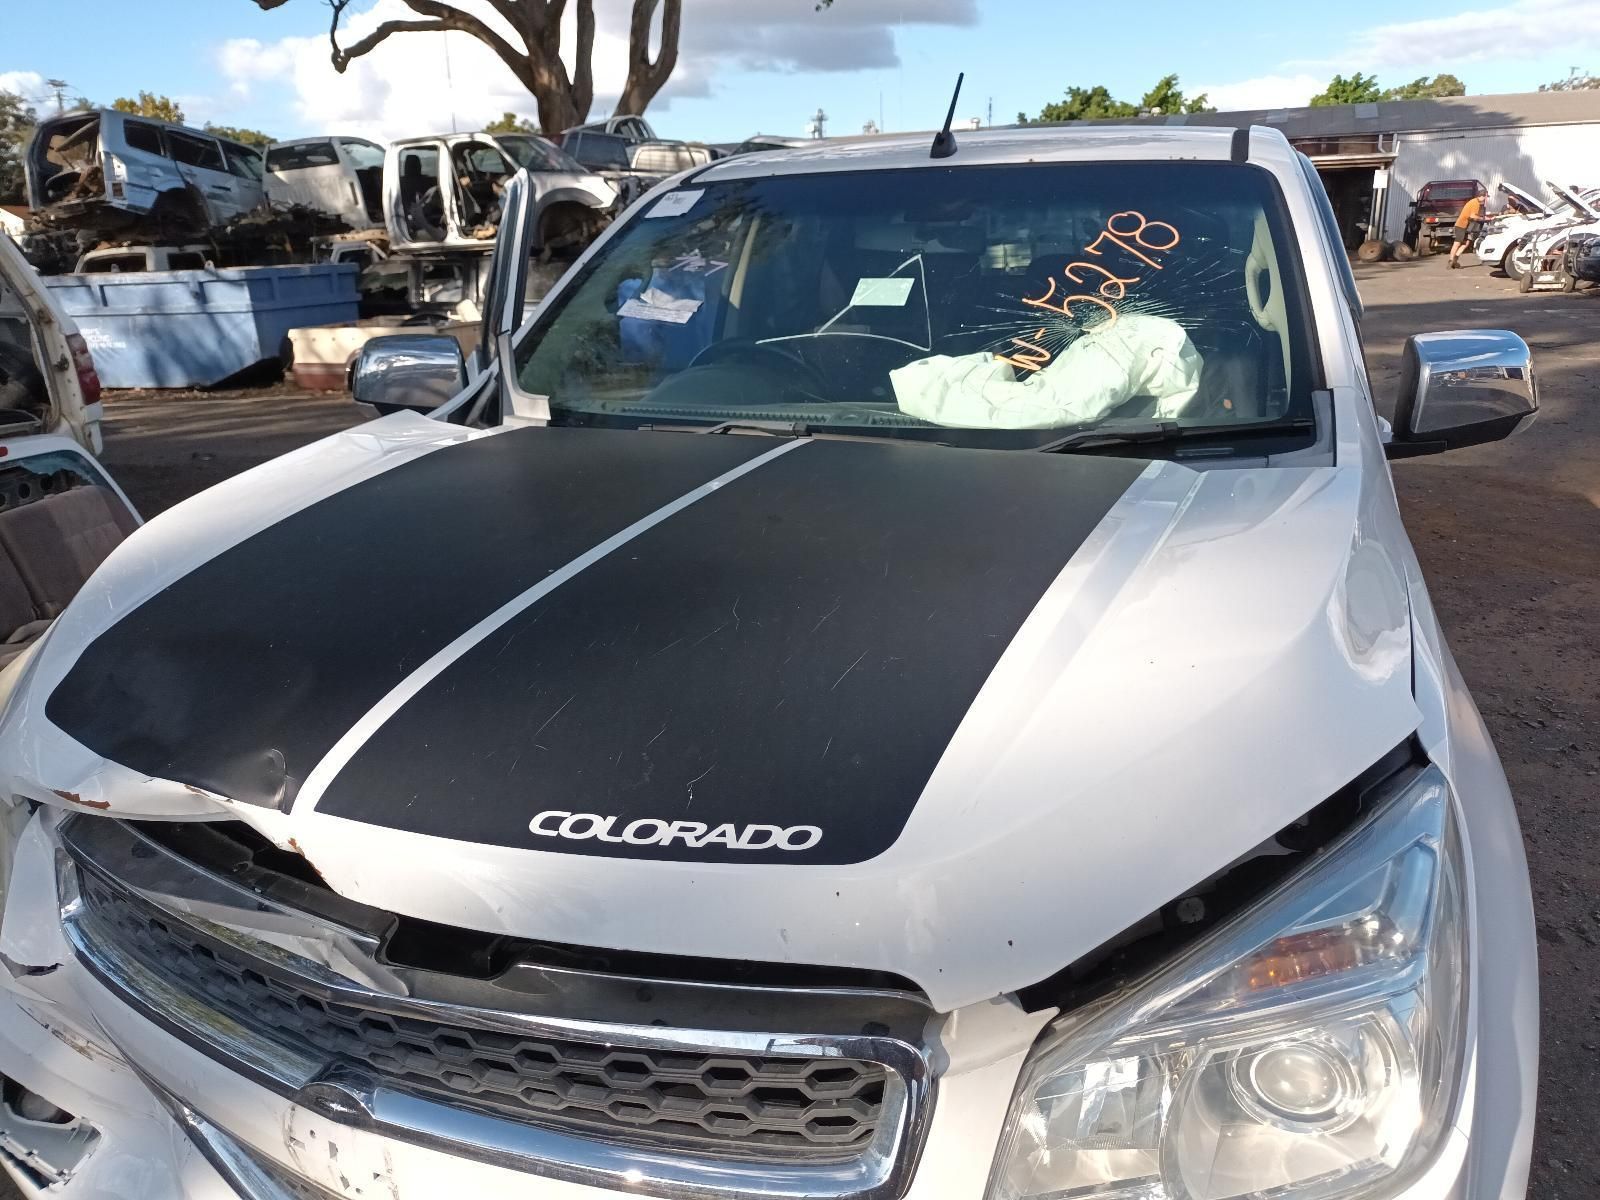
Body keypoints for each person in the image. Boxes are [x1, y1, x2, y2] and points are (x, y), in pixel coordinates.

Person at [1449, 192, 1487, 269]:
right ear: (1481, 196)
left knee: (1466, 243)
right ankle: (1450, 261)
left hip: (1466, 226)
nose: (1486, 199)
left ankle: (1455, 261)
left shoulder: (1473, 201)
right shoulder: (1476, 203)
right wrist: (1483, 218)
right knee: (1457, 243)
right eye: (1485, 197)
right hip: (1461, 225)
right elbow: (1472, 216)